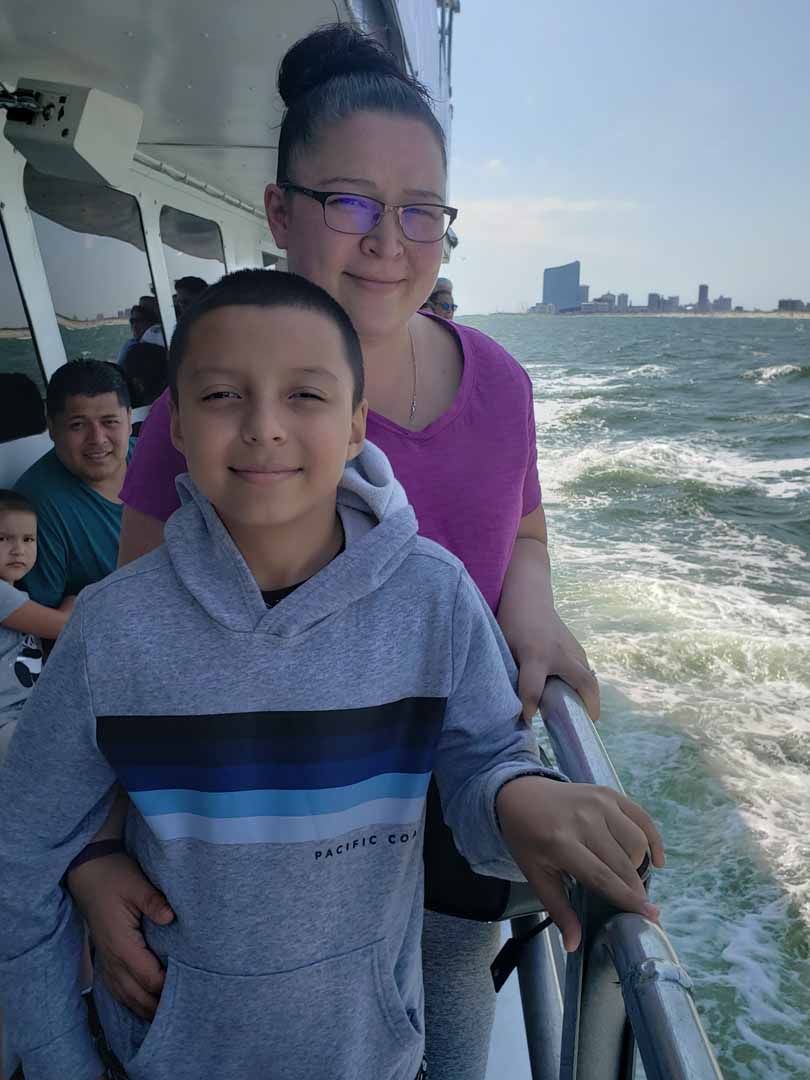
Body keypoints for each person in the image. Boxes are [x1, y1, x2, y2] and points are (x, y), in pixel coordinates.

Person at [67, 24, 601, 1079]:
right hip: (258, 831)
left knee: (440, 1037)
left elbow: (524, 524)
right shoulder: (217, 402)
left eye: (421, 213)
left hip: (458, 801)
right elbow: (134, 632)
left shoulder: (502, 384)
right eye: (349, 203)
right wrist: (93, 854)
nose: (388, 242)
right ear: (279, 213)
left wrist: (530, 606)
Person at [0, 269, 663, 1080]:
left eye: (306, 397)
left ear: (356, 426)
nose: (264, 428)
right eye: (220, 397)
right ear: (172, 427)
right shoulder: (113, 630)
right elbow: (23, 851)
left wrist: (527, 801)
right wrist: (59, 1061)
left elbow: (484, 765)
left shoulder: (434, 597)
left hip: (370, 1056)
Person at [13, 361, 134, 607]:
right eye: (77, 425)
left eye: (110, 421)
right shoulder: (37, 504)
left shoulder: (159, 460)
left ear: (130, 419)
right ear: (52, 428)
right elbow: (51, 619)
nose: (97, 439)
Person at [0, 491, 74, 762]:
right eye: (2, 539)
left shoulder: (19, 594)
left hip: (25, 714)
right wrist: (75, 599)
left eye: (28, 539)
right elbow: (62, 626)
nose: (18, 549)